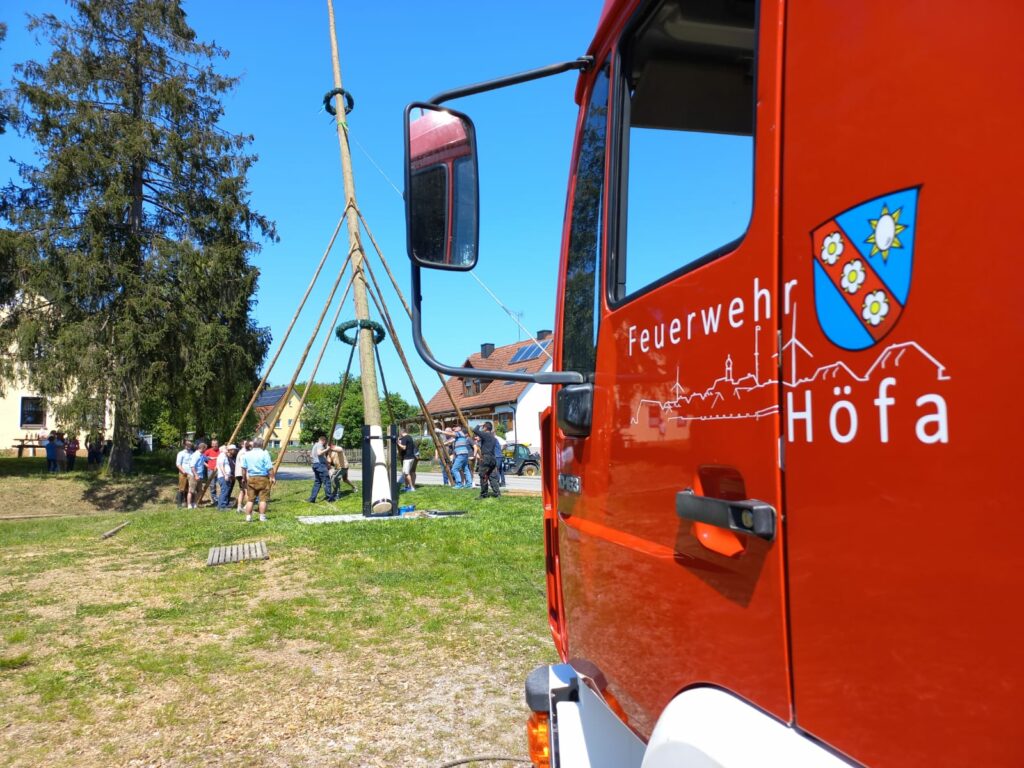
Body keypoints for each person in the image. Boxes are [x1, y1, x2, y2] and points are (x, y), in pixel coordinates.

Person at [241, 438, 275, 523]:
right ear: (262, 444)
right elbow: (269, 467)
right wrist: (272, 477)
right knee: (263, 499)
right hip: (263, 478)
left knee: (250, 499)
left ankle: (248, 517)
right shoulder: (264, 453)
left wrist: (244, 478)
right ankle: (262, 517)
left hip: (251, 478)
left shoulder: (246, 454)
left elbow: (243, 468)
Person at [473, 423, 501, 498]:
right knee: (492, 477)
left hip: (486, 458)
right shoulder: (494, 438)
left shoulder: (485, 435)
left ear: (485, 428)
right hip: (493, 458)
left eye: (483, 427)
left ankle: (483, 494)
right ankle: (497, 493)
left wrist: (479, 424)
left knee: (483, 476)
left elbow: (475, 430)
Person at [307, 434, 333, 503]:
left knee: (317, 482)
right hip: (320, 466)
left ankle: (312, 499)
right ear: (323, 440)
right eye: (325, 441)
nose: (325, 443)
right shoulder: (319, 445)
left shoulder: (315, 446)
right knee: (327, 481)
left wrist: (327, 463)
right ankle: (329, 498)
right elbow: (319, 453)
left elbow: (314, 456)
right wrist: (327, 449)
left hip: (315, 465)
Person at [187, 442, 207, 509]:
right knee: (191, 491)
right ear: (202, 448)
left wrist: (216, 457)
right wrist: (196, 475)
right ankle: (189, 505)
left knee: (199, 491)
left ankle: (194, 503)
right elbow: (192, 466)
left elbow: (208, 458)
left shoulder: (201, 455)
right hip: (194, 475)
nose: (205, 450)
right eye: (205, 449)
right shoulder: (196, 455)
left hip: (200, 475)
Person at [174, 440, 194, 508]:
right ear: (185, 445)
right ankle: (179, 504)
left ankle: (186, 502)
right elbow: (178, 464)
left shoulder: (192, 453)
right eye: (188, 445)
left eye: (190, 445)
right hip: (183, 473)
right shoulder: (181, 453)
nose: (189, 446)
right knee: (181, 488)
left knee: (189, 488)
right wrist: (183, 471)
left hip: (191, 473)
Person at [217, 444, 237, 509]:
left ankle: (222, 505)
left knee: (226, 490)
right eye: (226, 448)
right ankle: (222, 506)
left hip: (226, 476)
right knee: (224, 491)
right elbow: (221, 465)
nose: (227, 449)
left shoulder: (224, 456)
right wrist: (225, 474)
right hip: (223, 476)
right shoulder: (222, 456)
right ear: (222, 450)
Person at [234, 440, 251, 513]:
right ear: (242, 445)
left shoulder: (242, 452)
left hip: (239, 474)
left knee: (242, 491)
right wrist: (245, 476)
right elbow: (243, 465)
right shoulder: (243, 453)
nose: (248, 444)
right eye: (246, 443)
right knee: (247, 491)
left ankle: (239, 506)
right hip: (242, 474)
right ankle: (247, 507)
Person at [203, 440, 220, 505]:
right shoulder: (208, 451)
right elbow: (201, 458)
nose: (214, 445)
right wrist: (206, 465)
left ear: (217, 444)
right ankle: (214, 499)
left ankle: (220, 498)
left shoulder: (220, 451)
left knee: (221, 484)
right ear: (211, 444)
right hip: (210, 470)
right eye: (213, 444)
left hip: (219, 470)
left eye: (216, 444)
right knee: (212, 485)